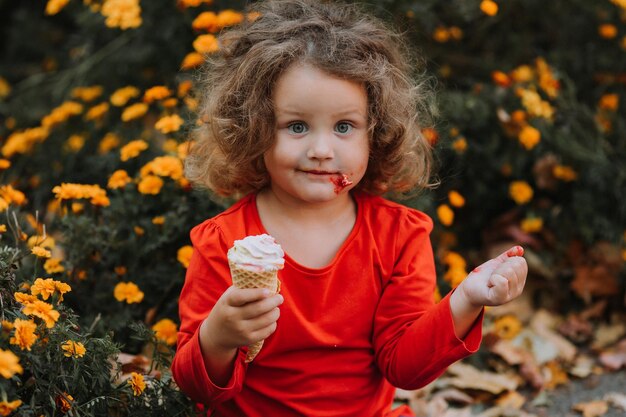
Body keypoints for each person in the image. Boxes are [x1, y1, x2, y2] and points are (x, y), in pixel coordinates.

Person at [171, 0, 528, 416]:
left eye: (344, 127)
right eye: (297, 126)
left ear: (375, 135)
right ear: (255, 129)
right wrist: (217, 337)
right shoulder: (224, 242)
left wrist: (465, 299)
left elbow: (405, 367)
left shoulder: (399, 236)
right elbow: (196, 386)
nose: (322, 150)